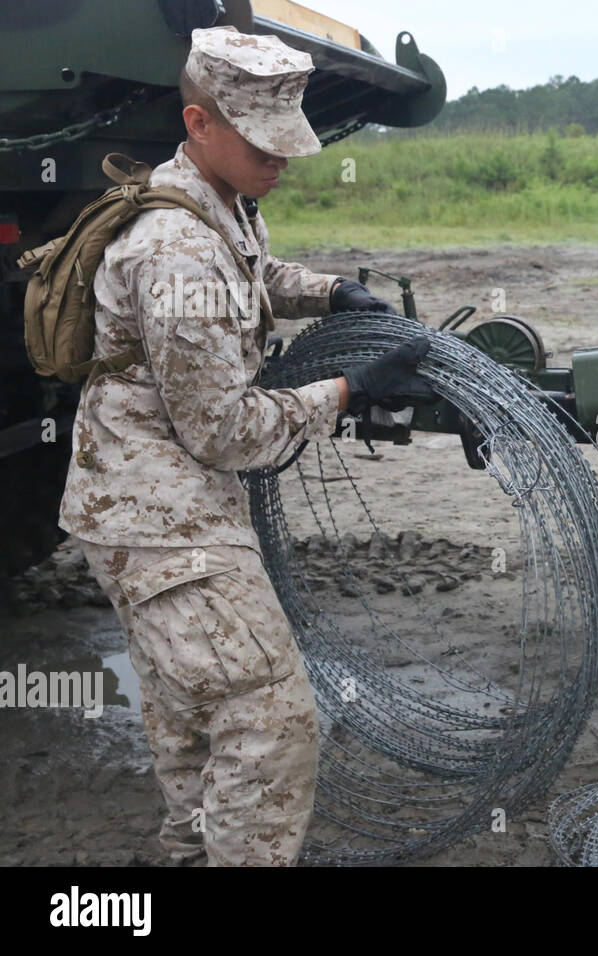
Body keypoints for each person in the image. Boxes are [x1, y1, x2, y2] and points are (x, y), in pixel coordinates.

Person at [59, 25, 432, 866]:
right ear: (199, 124)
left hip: (143, 502)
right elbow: (224, 430)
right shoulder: (174, 246)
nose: (283, 161)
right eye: (263, 143)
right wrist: (348, 392)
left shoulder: (208, 203)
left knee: (192, 725)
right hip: (160, 520)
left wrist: (328, 292)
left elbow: (251, 274)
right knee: (271, 722)